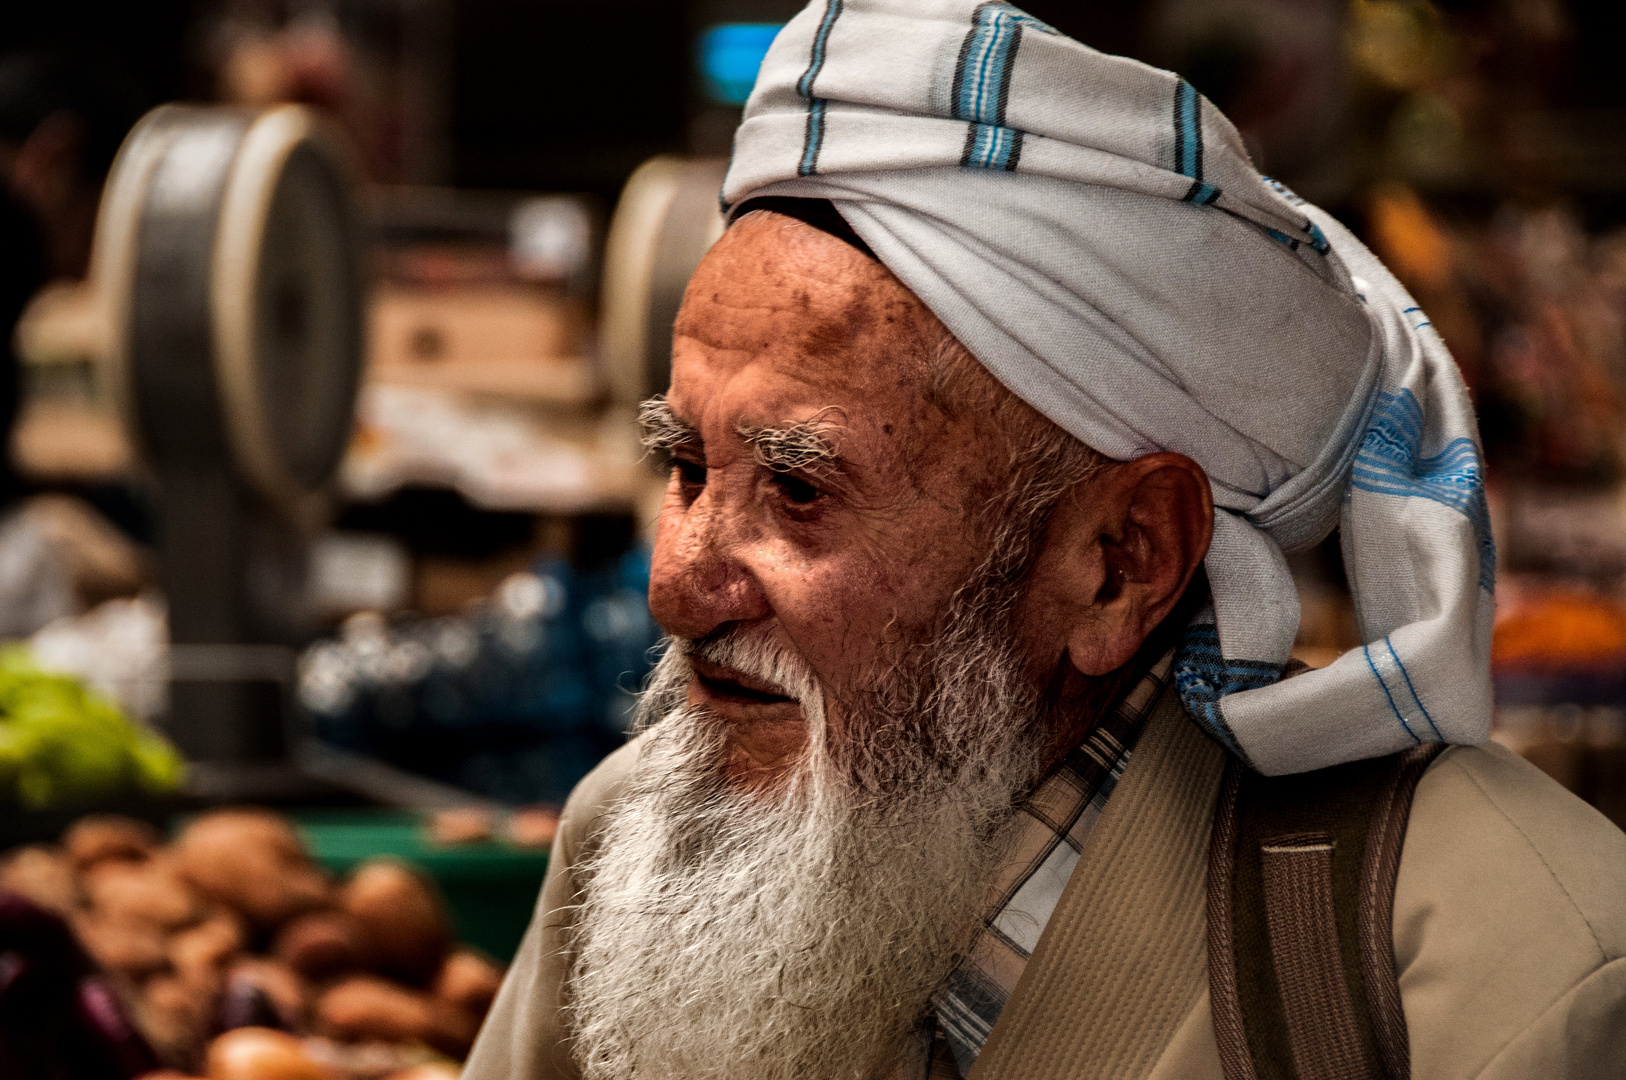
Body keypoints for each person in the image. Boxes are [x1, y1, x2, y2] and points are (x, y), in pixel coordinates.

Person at [464, 3, 1626, 1078]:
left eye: (800, 491)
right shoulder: (643, 841)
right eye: (686, 469)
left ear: (1122, 561)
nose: (675, 584)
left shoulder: (1502, 965)